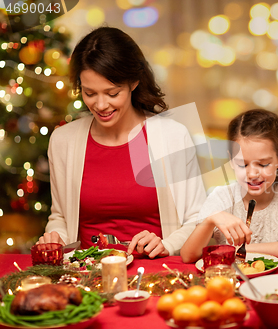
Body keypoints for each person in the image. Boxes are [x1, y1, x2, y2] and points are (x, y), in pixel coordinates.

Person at [37, 27, 206, 258]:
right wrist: (56, 238)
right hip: (85, 274)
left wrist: (167, 244)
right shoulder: (63, 141)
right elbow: (60, 218)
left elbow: (198, 219)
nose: (101, 105)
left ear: (134, 82)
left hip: (155, 272)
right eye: (89, 93)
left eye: (112, 93)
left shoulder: (173, 136)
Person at [181, 109, 278, 262]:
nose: (252, 174)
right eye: (242, 164)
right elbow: (188, 256)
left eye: (263, 164)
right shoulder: (222, 197)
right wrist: (211, 220)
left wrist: (239, 250)